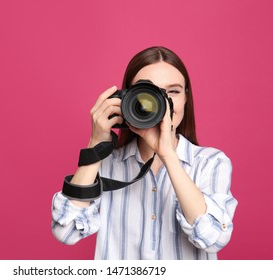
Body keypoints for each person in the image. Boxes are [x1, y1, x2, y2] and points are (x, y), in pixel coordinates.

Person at [51, 46, 238, 260]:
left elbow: (213, 238)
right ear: (127, 99)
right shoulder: (108, 164)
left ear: (186, 99)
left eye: (173, 91)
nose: (161, 102)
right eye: (150, 92)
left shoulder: (210, 163)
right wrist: (95, 144)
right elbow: (65, 232)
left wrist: (168, 156)